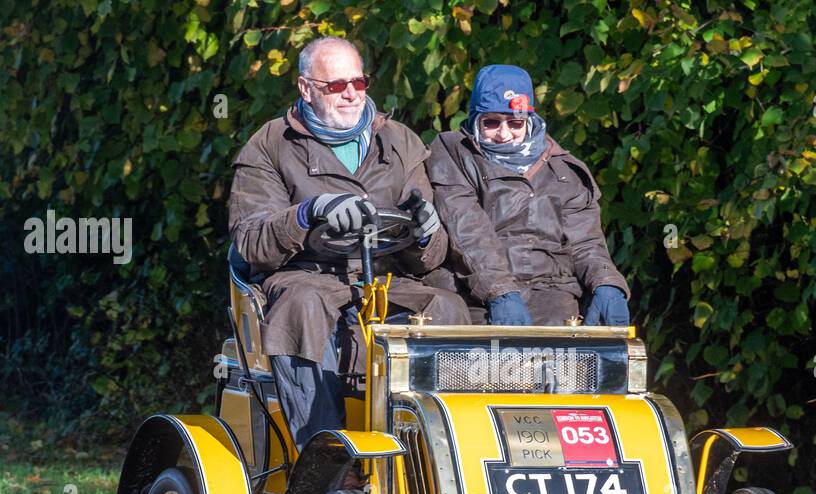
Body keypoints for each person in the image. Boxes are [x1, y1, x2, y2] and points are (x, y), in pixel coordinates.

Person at [228, 37, 469, 449]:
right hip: (307, 278)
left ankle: (443, 453)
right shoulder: (269, 145)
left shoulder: (400, 140)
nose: (352, 94)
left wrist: (426, 232)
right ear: (306, 89)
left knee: (448, 306)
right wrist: (308, 212)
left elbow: (430, 258)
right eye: (336, 85)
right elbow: (250, 240)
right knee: (301, 307)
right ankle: (323, 457)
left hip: (388, 279)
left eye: (359, 82)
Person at [426, 64, 630, 326]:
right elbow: (466, 229)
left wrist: (607, 281)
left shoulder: (564, 170)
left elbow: (585, 242)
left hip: (554, 293)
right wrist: (500, 292)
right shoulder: (454, 153)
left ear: (528, 121)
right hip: (476, 293)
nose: (504, 134)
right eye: (491, 123)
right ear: (475, 119)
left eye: (515, 123)